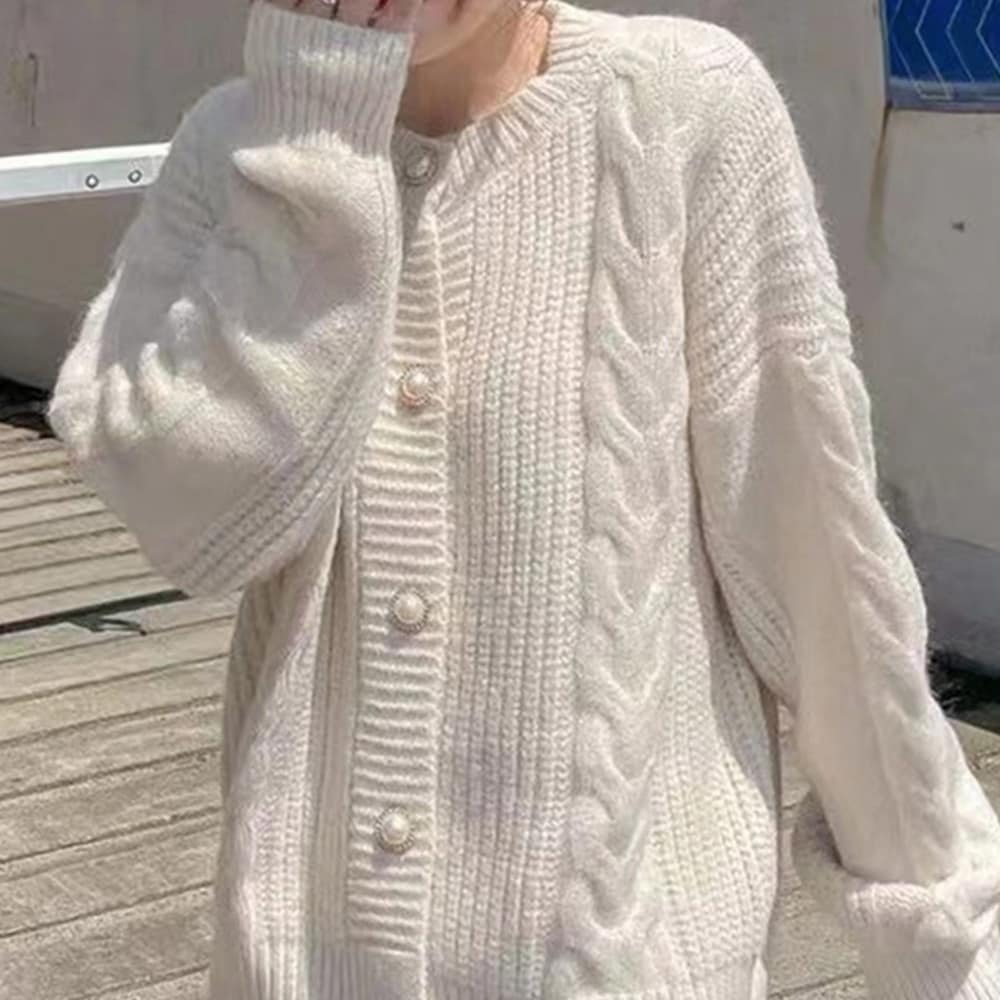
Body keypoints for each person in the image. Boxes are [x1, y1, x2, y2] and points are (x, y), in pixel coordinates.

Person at [45, 0, 1000, 997]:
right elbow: (196, 521)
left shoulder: (684, 106)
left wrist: (940, 940)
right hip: (304, 965)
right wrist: (317, 145)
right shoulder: (238, 145)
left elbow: (819, 562)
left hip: (616, 965)